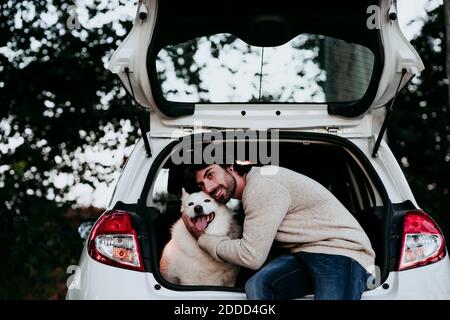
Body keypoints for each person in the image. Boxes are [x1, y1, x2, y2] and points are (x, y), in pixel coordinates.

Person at [181, 162, 375, 300]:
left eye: (210, 175)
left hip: (340, 252)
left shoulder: (260, 187)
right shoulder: (255, 188)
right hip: (305, 254)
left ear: (230, 167)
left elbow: (251, 256)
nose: (208, 187)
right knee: (258, 285)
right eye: (201, 185)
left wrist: (202, 238)